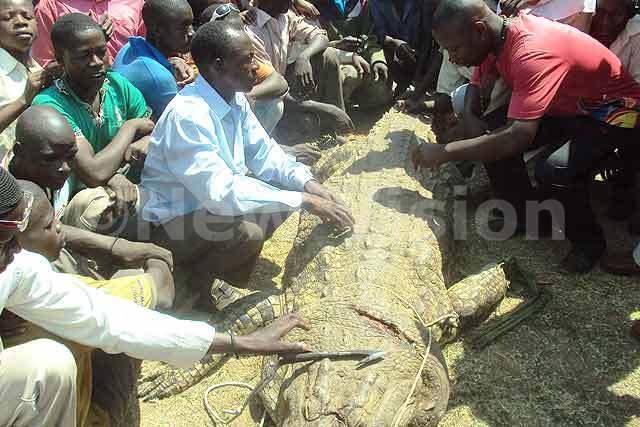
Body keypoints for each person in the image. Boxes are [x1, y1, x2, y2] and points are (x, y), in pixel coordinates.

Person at [0, 167, 311, 426]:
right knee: (48, 362)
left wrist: (238, 343)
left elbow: (108, 319)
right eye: (5, 240)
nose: (15, 250)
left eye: (16, 239)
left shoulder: (17, 267)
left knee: (57, 359)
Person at [136, 20, 354, 309]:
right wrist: (304, 200)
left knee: (285, 188)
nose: (256, 66)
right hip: (171, 224)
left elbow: (266, 155)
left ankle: (214, 272)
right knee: (248, 231)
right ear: (218, 66)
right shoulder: (188, 116)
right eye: (247, 59)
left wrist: (309, 185)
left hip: (206, 211)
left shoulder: (234, 99)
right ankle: (192, 285)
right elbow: (221, 194)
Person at [412, 0, 640, 273]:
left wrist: (447, 151)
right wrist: (474, 121)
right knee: (493, 134)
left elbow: (518, 136)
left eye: (454, 49)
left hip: (614, 111)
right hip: (569, 105)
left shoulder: (529, 52)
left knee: (555, 170)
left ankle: (588, 243)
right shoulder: (496, 37)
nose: (451, 58)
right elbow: (476, 86)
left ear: (479, 30)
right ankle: (529, 217)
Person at [8, 105, 175, 280]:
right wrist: (115, 247)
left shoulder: (51, 166)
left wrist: (112, 177)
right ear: (19, 152)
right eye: (50, 159)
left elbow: (94, 172)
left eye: (70, 156)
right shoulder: (10, 194)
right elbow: (40, 226)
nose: (65, 168)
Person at [32, 13, 153, 209]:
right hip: (78, 201)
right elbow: (94, 173)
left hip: (130, 187)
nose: (97, 61)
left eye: (101, 52)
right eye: (84, 55)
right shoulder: (50, 105)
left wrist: (147, 139)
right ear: (60, 59)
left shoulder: (117, 85)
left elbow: (152, 127)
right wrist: (130, 127)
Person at [245, 0, 354, 134]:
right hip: (269, 99)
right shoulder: (251, 31)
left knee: (328, 55)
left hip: (284, 83)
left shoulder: (285, 16)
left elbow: (321, 37)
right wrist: (326, 109)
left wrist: (304, 57)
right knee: (308, 125)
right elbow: (275, 88)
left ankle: (338, 128)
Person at [112, 0, 195, 118]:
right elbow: (182, 124)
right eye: (182, 27)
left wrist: (171, 62)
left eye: (191, 24)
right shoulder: (160, 79)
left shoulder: (130, 47)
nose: (191, 32)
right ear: (157, 30)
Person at [0, 0, 60, 159]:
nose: (20, 22)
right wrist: (24, 100)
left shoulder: (42, 72)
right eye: (8, 17)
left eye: (28, 17)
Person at [320, 0, 394, 110]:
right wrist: (337, 45)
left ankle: (353, 98)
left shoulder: (362, 4)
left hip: (362, 59)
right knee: (350, 75)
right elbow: (312, 42)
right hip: (335, 60)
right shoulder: (315, 7)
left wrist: (377, 60)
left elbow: (370, 38)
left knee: (380, 90)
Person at [32, 0, 144, 66]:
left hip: (131, 91)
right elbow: (44, 67)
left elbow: (148, 51)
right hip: (74, 98)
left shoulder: (136, 2)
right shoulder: (50, 5)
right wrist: (90, 43)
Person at [369, 0, 439, 102]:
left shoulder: (421, 3)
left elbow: (427, 38)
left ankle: (417, 82)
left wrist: (418, 74)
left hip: (421, 55)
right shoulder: (375, 3)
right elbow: (377, 34)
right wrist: (393, 42)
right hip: (393, 55)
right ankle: (400, 83)